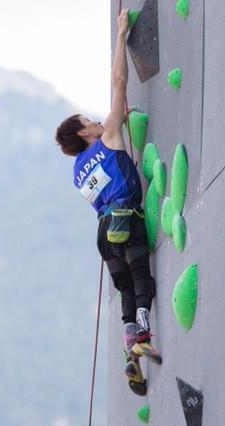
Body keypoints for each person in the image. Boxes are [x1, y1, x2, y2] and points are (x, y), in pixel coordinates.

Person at [54, 9, 161, 393]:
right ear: (84, 132)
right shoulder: (106, 138)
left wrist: (116, 125)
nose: (98, 121)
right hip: (126, 220)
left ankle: (131, 350)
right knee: (142, 278)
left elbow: (106, 169)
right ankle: (144, 336)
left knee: (126, 290)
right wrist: (121, 34)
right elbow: (119, 82)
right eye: (91, 121)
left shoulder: (77, 171)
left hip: (104, 234)